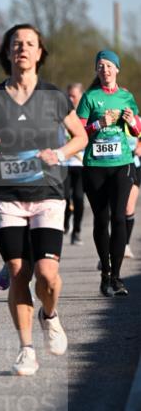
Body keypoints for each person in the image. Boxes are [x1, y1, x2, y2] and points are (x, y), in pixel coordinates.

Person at [0, 24, 88, 376]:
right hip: (7, 197)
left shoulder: (53, 97)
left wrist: (59, 153)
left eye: (29, 43)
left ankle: (50, 315)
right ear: (8, 52)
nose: (22, 48)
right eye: (16, 43)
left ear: (39, 52)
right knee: (19, 271)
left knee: (47, 276)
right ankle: (26, 349)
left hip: (47, 194)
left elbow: (80, 137)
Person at [76, 49, 141, 296]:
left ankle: (117, 278)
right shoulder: (89, 97)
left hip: (122, 164)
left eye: (109, 65)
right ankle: (105, 273)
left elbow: (137, 130)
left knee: (119, 217)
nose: (105, 70)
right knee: (101, 220)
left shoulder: (126, 97)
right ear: (97, 70)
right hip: (95, 167)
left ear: (117, 69)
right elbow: (77, 133)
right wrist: (98, 124)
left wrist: (131, 121)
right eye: (101, 66)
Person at [63, 82, 85, 244]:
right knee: (63, 198)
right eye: (68, 96)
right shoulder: (61, 114)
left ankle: (76, 231)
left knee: (78, 198)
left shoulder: (86, 115)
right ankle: (65, 222)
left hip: (81, 165)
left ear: (81, 97)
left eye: (74, 96)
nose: (70, 99)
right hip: (64, 164)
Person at [124, 137, 141, 258]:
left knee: (128, 208)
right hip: (112, 165)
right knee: (114, 210)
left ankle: (125, 245)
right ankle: (107, 250)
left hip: (133, 165)